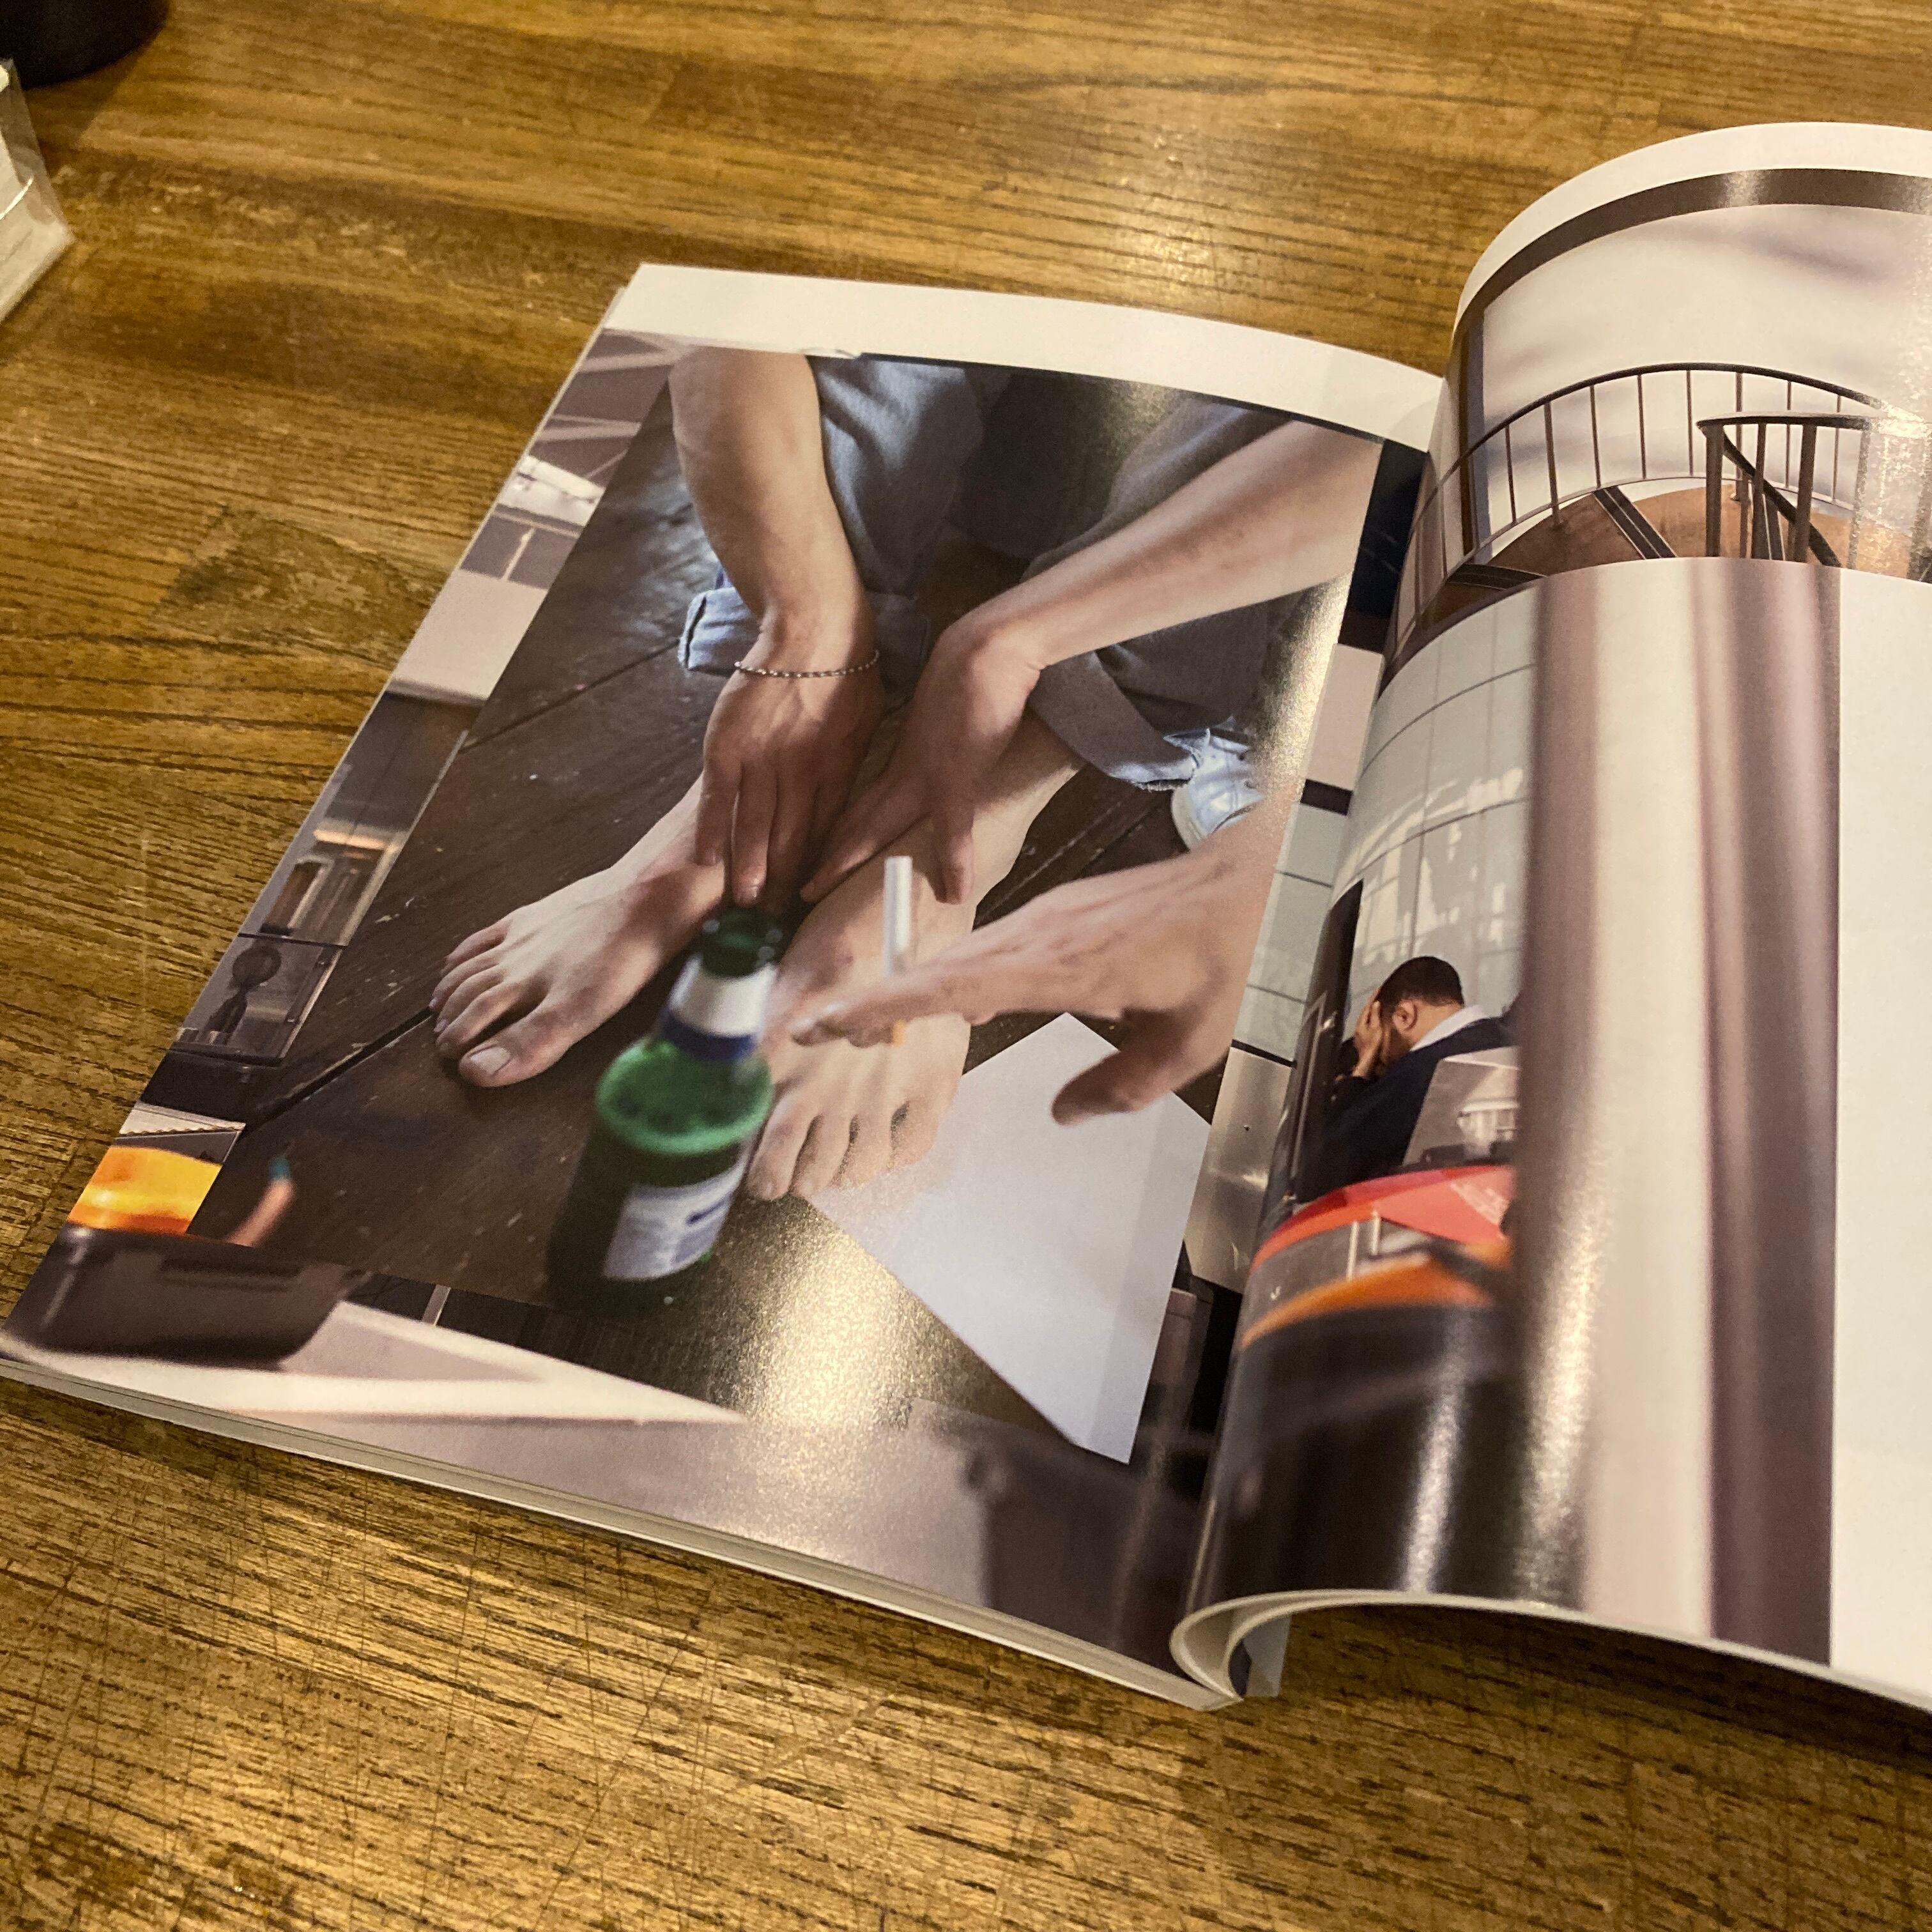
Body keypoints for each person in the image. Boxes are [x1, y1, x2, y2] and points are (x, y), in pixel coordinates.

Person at [429, 348, 1379, 1199]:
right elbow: (739, 324)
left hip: (1249, 496)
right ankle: (717, 829)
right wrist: (804, 633)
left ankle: (933, 865)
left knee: (1305, 366)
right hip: (1017, 440)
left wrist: (1010, 639)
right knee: (882, 299)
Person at [1295, 957, 1511, 1198]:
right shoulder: (1506, 1042)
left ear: (1404, 1016)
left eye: (1381, 1039)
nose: (1382, 1061)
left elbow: (1316, 1177)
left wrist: (1362, 1068)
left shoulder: (1420, 1071)